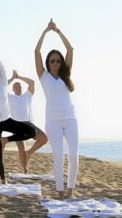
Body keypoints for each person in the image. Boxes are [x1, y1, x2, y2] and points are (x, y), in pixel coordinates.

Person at [0, 41, 36, 184]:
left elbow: (1, 66)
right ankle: (3, 179)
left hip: (6, 120)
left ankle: (7, 139)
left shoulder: (3, 84)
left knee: (30, 131)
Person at [35, 18, 78, 200]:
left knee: (74, 157)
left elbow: (70, 50)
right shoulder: (43, 76)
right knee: (58, 157)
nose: (55, 63)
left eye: (57, 61)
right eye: (52, 61)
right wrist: (45, 31)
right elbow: (36, 51)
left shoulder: (65, 75)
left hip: (70, 120)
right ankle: (60, 192)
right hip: (52, 122)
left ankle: (70, 189)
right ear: (48, 63)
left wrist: (58, 31)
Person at [8, 70, 48, 173]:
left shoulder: (27, 96)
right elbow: (2, 87)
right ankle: (25, 170)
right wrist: (12, 78)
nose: (18, 88)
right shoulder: (10, 97)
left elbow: (32, 83)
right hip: (16, 125)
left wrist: (19, 76)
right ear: (13, 89)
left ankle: (29, 152)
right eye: (16, 87)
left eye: (20, 87)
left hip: (29, 124)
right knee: (21, 148)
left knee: (44, 138)